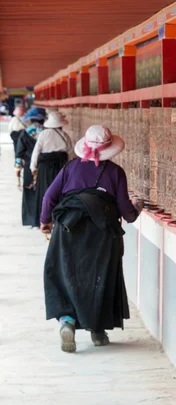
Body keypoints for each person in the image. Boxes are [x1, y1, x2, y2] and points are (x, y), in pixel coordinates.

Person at [41, 125, 144, 353]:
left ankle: (67, 321)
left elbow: (49, 196)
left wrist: (44, 221)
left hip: (67, 229)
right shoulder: (115, 172)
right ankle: (97, 331)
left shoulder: (70, 168)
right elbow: (126, 211)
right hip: (102, 233)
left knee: (64, 274)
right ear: (109, 149)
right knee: (101, 277)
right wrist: (137, 209)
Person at [31, 111, 73, 227]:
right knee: (59, 192)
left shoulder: (43, 134)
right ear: (60, 124)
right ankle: (58, 219)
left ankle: (43, 219)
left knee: (45, 191)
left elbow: (36, 152)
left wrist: (33, 167)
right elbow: (70, 153)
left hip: (45, 168)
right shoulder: (65, 135)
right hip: (61, 166)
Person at [15, 107, 47, 227]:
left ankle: (30, 219)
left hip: (29, 167)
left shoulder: (25, 133)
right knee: (43, 192)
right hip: (44, 167)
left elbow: (19, 153)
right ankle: (42, 218)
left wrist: (17, 169)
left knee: (29, 191)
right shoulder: (46, 132)